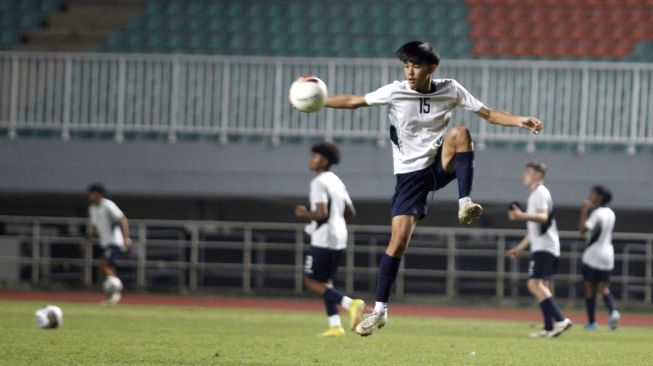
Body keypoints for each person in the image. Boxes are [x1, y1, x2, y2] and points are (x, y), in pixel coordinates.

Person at [322, 40, 543, 336]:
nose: (410, 72)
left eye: (416, 66)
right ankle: (381, 311)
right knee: (398, 242)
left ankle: (465, 201)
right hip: (409, 177)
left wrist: (519, 120)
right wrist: (319, 100)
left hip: (438, 165)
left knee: (461, 133)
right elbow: (353, 101)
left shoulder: (450, 88)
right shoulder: (395, 91)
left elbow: (488, 113)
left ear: (432, 68)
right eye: (406, 65)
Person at [295, 142, 365, 336]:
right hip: (340, 235)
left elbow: (320, 212)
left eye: (315, 156)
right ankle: (335, 325)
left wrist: (304, 213)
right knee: (325, 281)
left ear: (324, 161)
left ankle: (350, 304)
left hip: (324, 236)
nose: (311, 160)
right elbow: (350, 212)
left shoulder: (318, 182)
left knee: (310, 281)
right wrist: (334, 216)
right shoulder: (336, 180)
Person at [506, 162, 572, 337]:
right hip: (544, 245)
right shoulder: (537, 194)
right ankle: (549, 327)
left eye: (528, 172)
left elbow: (543, 217)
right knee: (541, 286)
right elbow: (533, 229)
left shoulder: (540, 193)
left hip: (545, 246)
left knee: (533, 284)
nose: (524, 175)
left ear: (538, 175)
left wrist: (521, 215)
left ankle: (560, 320)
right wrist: (519, 248)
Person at [579, 185, 620, 330]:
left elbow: (582, 230)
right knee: (604, 289)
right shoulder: (611, 213)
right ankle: (614, 311)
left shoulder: (597, 213)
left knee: (590, 289)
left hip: (593, 254)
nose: (591, 195)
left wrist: (584, 211)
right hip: (608, 254)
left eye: (594, 194)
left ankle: (592, 322)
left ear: (600, 197)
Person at [83, 183, 131, 305]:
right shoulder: (93, 208)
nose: (90, 196)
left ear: (98, 194)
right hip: (105, 242)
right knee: (109, 268)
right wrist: (87, 239)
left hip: (114, 241)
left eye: (92, 194)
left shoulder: (108, 205)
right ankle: (113, 297)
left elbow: (123, 220)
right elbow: (94, 228)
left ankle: (117, 286)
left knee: (103, 264)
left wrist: (125, 238)